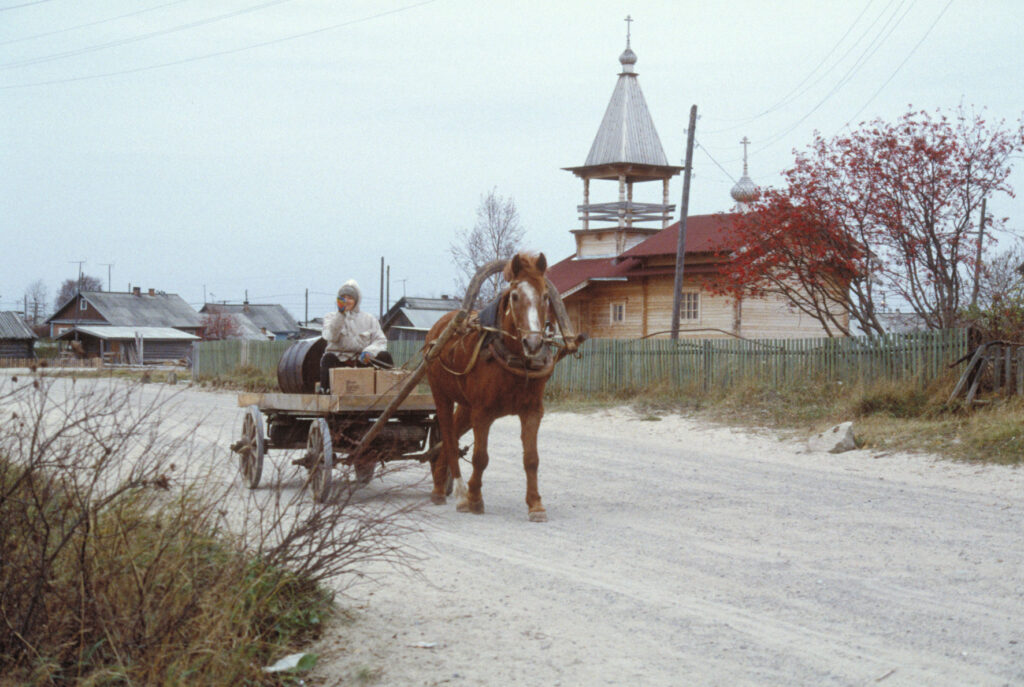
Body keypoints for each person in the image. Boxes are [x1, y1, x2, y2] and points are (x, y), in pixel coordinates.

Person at [319, 280, 393, 393]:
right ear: (338, 300)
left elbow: (380, 340)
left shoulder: (369, 319)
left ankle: (389, 392)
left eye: (350, 298)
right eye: (343, 297)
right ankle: (326, 392)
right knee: (327, 359)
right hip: (340, 361)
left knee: (385, 356)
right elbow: (331, 336)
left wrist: (370, 351)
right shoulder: (330, 317)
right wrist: (340, 315)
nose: (346, 301)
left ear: (356, 301)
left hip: (363, 361)